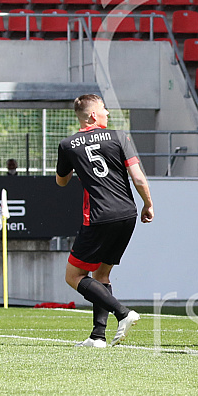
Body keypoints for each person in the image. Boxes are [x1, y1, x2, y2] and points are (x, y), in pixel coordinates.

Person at [56, 94, 153, 347]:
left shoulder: (68, 145)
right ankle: (98, 336)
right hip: (127, 214)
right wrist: (148, 204)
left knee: (73, 275)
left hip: (98, 216)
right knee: (102, 274)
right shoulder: (120, 136)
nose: (108, 113)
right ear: (92, 115)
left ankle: (123, 312)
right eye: (104, 109)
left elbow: (61, 181)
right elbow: (139, 178)